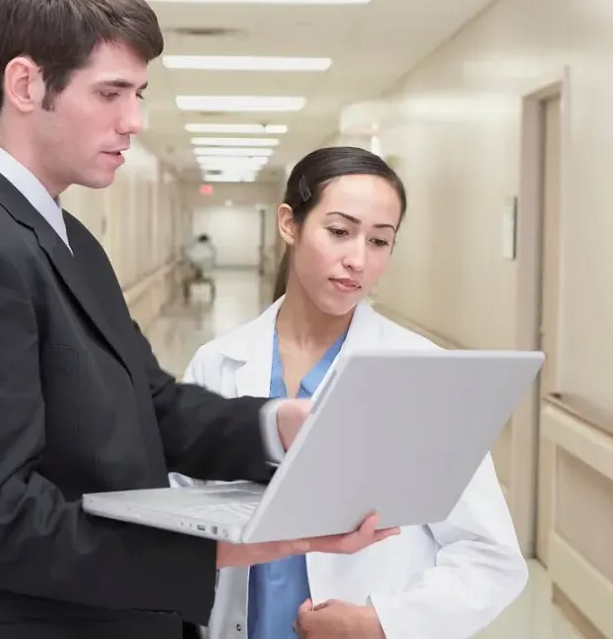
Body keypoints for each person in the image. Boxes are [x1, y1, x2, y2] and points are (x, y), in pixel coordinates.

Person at [0, 0, 396, 639]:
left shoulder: (63, 237)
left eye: (139, 94)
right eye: (112, 93)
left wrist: (277, 425)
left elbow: (152, 406)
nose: (135, 120)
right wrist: (224, 549)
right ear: (26, 83)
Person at [174, 146, 529, 639]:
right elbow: (176, 527)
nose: (357, 260)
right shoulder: (216, 364)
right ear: (289, 224)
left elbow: (491, 555)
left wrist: (382, 623)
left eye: (380, 241)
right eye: (339, 232)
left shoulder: (421, 373)